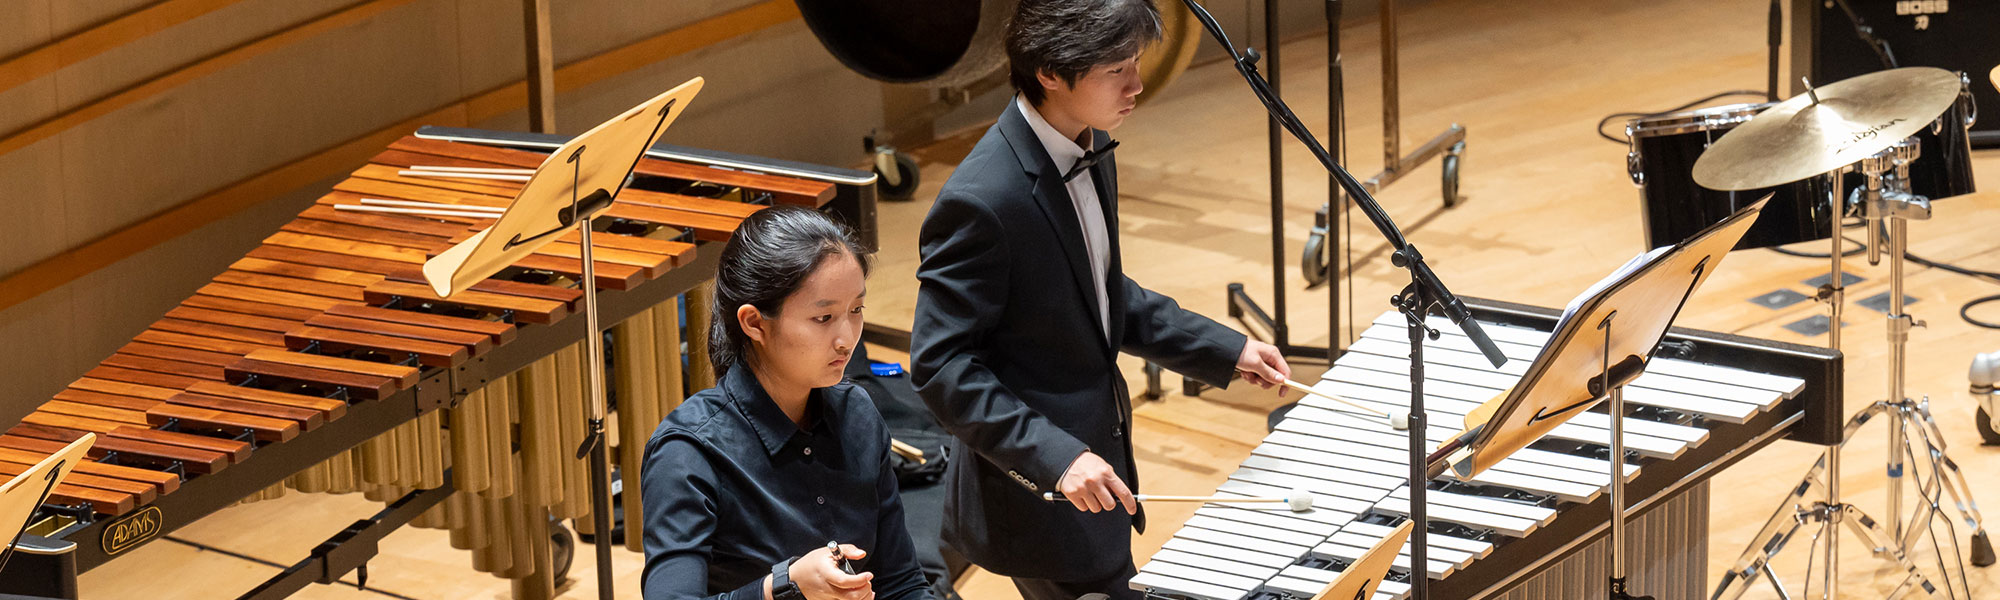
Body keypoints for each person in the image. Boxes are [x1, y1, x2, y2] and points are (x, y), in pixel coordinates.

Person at [909, 1, 1293, 599]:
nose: (1138, 86)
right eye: (1118, 70)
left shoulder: (1089, 148)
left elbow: (1100, 296)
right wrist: (1058, 458)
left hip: (1095, 473)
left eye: (1136, 63)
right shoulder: (984, 201)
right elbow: (942, 367)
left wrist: (1224, 348)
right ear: (1051, 73)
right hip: (1040, 491)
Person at [642, 206, 932, 600]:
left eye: (856, 310)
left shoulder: (857, 413)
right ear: (755, 323)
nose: (847, 339)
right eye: (824, 317)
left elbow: (901, 583)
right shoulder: (688, 453)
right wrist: (781, 586)